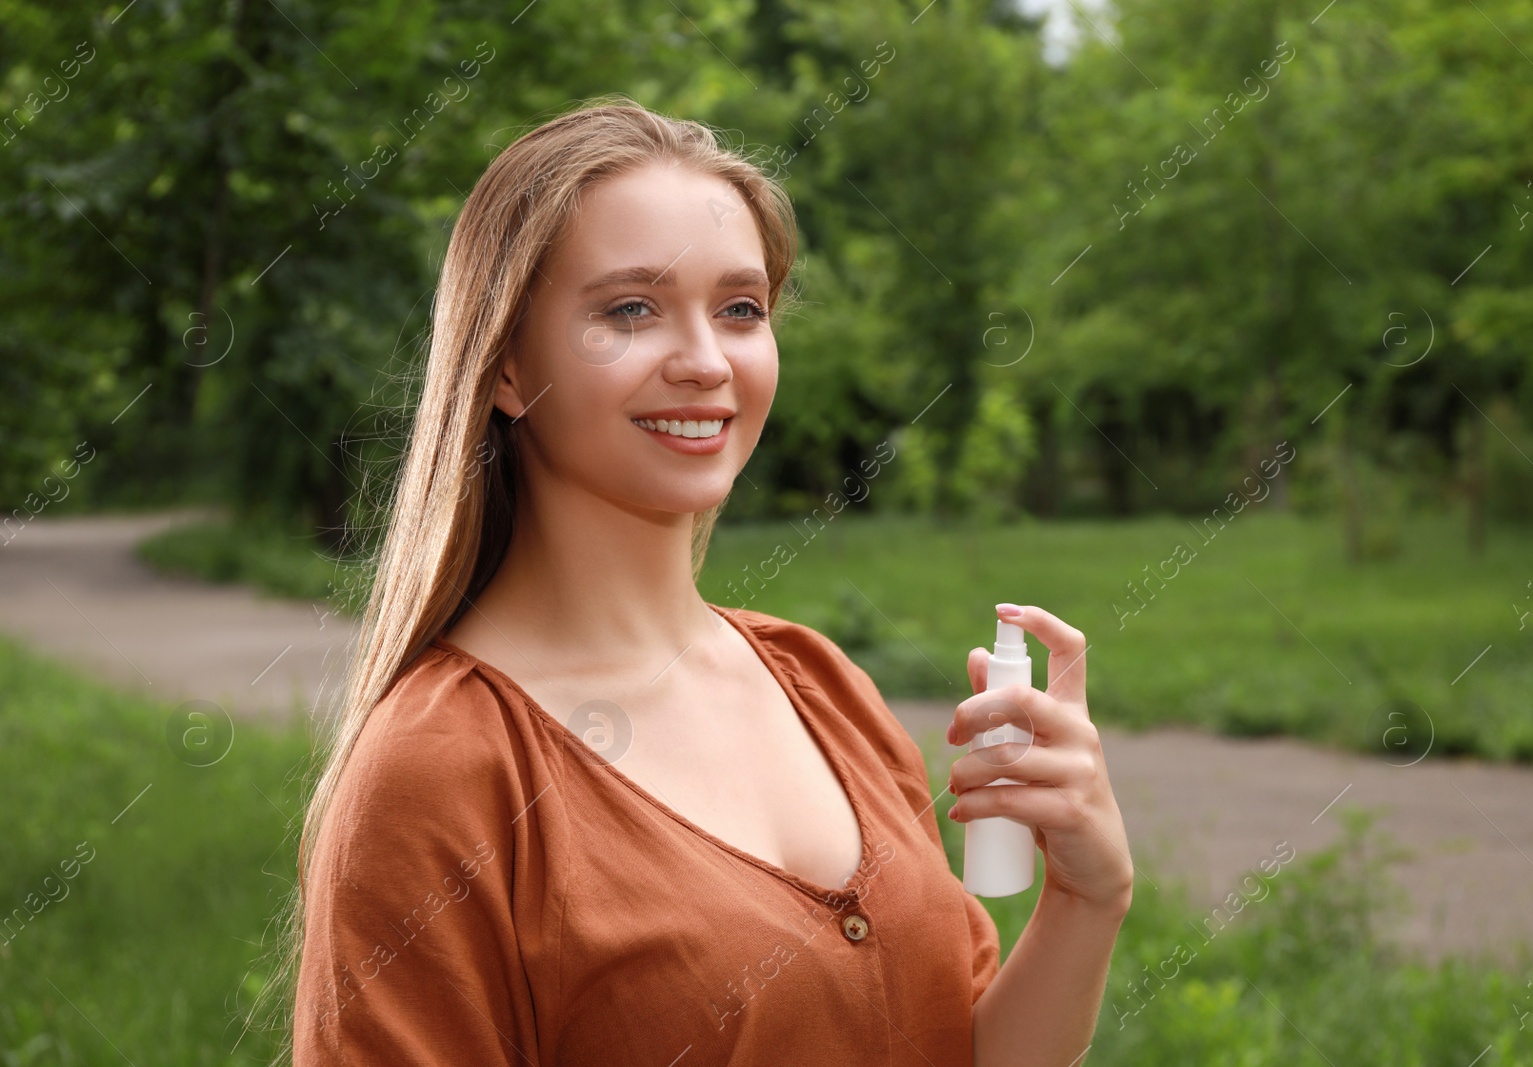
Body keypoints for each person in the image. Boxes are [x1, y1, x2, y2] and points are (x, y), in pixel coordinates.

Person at [282, 96, 1133, 1066]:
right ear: (509, 365)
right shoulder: (441, 771)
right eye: (630, 309)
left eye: (739, 309)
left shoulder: (820, 686)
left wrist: (1084, 897)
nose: (702, 361)